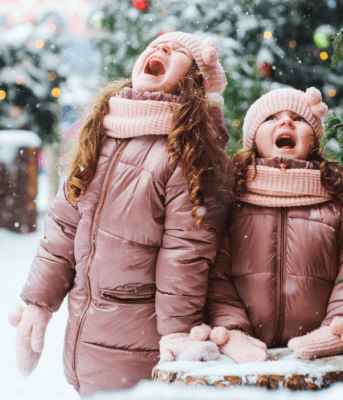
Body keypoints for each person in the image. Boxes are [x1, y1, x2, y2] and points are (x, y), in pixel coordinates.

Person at [9, 32, 233, 396]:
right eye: (156, 45)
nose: (160, 49)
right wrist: (39, 303)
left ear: (195, 82)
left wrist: (177, 331)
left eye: (177, 52)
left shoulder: (190, 153)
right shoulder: (104, 130)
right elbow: (63, 228)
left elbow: (186, 253)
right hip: (86, 328)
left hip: (143, 332)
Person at [206, 87, 343, 363]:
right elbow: (214, 276)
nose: (286, 122)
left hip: (318, 358)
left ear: (314, 142)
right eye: (271, 117)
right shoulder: (231, 205)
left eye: (298, 118)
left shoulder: (340, 210)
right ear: (252, 140)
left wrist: (337, 329)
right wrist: (231, 330)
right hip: (242, 358)